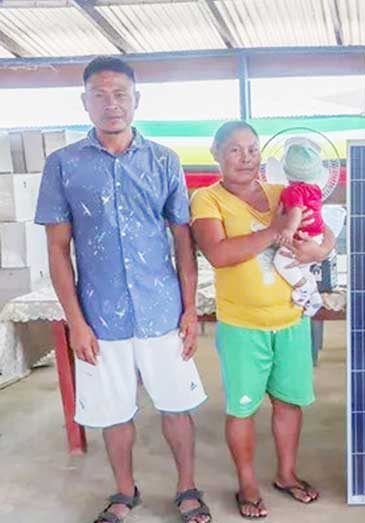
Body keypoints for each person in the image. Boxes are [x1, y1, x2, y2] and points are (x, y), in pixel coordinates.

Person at [34, 56, 211, 523]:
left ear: (136, 100)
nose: (111, 104)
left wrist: (190, 310)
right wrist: (76, 323)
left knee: (177, 407)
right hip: (100, 316)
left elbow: (183, 242)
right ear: (85, 101)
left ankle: (187, 487)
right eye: (100, 94)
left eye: (120, 95)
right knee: (114, 413)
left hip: (162, 310)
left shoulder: (163, 161)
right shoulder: (63, 165)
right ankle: (123, 491)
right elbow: (58, 251)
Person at [190, 121, 334, 518]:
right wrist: (275, 231)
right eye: (234, 150)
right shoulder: (207, 200)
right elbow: (219, 254)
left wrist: (317, 251)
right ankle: (248, 484)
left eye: (252, 149)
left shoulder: (281, 193)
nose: (245, 157)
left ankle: (286, 474)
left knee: (289, 403)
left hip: (290, 320)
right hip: (243, 325)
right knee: (243, 408)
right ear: (215, 153)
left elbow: (326, 233)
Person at [272, 138, 327, 317]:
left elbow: (296, 211)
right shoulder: (316, 189)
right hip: (316, 238)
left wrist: (288, 230)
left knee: (281, 261)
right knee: (303, 269)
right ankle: (315, 296)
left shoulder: (291, 191)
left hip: (302, 236)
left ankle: (303, 289)